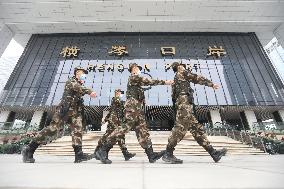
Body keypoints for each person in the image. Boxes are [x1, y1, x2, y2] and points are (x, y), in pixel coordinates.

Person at [95, 63, 173, 164]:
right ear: (132, 70)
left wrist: (143, 101)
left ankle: (151, 154)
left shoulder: (137, 84)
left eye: (138, 68)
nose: (137, 70)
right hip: (132, 106)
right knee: (125, 127)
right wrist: (165, 82)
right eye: (135, 68)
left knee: (142, 130)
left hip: (138, 108)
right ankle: (103, 149)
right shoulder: (133, 78)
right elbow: (148, 81)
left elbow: (140, 95)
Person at [22, 67, 97, 163]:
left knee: (77, 130)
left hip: (75, 111)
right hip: (65, 110)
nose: (84, 75)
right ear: (77, 73)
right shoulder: (71, 81)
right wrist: (90, 91)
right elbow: (78, 88)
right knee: (53, 129)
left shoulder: (80, 83)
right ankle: (29, 148)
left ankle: (79, 155)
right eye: (83, 73)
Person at [162, 62, 227, 164]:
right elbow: (196, 78)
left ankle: (213, 153)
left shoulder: (176, 80)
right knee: (180, 128)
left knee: (197, 130)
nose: (184, 67)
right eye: (182, 66)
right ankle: (168, 153)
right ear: (179, 67)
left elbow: (173, 98)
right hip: (184, 105)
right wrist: (211, 84)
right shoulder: (182, 72)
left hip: (183, 106)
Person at [94, 89, 136, 161]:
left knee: (121, 137)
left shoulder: (117, 102)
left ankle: (125, 153)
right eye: (120, 93)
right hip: (113, 123)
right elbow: (113, 111)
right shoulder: (115, 100)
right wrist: (106, 120)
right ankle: (98, 151)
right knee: (107, 137)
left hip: (118, 122)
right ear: (117, 93)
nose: (121, 94)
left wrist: (105, 120)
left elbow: (110, 111)